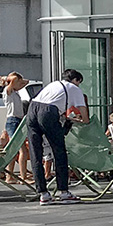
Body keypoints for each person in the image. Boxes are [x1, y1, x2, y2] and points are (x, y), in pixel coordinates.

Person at [27, 69, 89, 205]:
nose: (79, 85)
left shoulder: (53, 84)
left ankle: (43, 194)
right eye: (79, 82)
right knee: (59, 151)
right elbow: (82, 108)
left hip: (32, 109)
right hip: (48, 112)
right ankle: (64, 192)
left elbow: (53, 103)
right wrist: (85, 121)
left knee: (35, 153)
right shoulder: (74, 88)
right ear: (76, 80)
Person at [0, 72, 31, 184]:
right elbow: (15, 79)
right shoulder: (8, 91)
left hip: (17, 121)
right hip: (13, 121)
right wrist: (6, 78)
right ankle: (23, 177)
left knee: (13, 151)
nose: (20, 84)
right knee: (22, 151)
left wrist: (12, 79)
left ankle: (9, 177)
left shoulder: (15, 92)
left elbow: (26, 81)